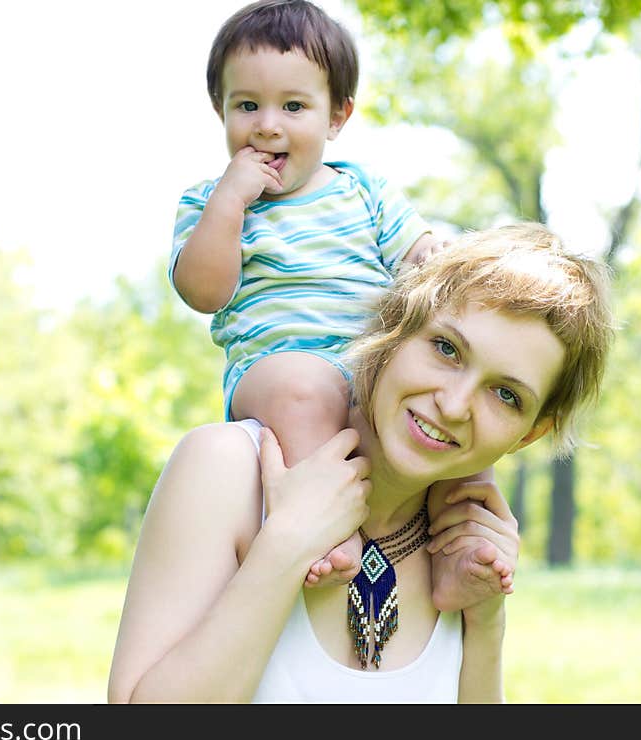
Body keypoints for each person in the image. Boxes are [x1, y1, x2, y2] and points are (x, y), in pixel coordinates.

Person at [108, 223, 613, 702]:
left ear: (530, 433)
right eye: (446, 348)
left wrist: (485, 618)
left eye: (505, 394)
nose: (455, 405)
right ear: (395, 326)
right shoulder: (227, 471)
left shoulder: (464, 554)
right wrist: (286, 544)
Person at [169, 0, 446, 581]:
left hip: (371, 365)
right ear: (220, 110)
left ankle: (459, 544)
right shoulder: (208, 202)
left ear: (336, 116)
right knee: (306, 389)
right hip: (276, 368)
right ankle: (323, 530)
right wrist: (229, 201)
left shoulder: (362, 189)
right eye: (247, 106)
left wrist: (437, 259)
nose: (268, 124)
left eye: (293, 106)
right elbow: (203, 291)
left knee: (451, 404)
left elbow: (420, 260)